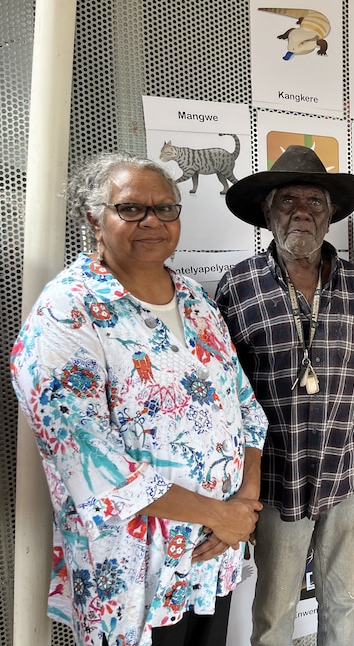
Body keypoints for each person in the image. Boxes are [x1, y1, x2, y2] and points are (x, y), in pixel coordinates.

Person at [10, 152, 268, 646]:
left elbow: (246, 410)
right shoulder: (68, 310)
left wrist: (245, 504)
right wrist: (223, 515)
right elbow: (89, 461)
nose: (152, 220)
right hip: (134, 571)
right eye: (131, 209)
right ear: (95, 218)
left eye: (165, 208)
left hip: (213, 553)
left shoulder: (195, 300)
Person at [214, 145, 354, 646]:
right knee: (274, 610)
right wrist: (236, 495)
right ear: (268, 212)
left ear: (331, 214)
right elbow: (224, 403)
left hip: (345, 474)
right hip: (275, 481)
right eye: (288, 200)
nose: (301, 211)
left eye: (314, 201)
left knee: (343, 601)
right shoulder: (238, 286)